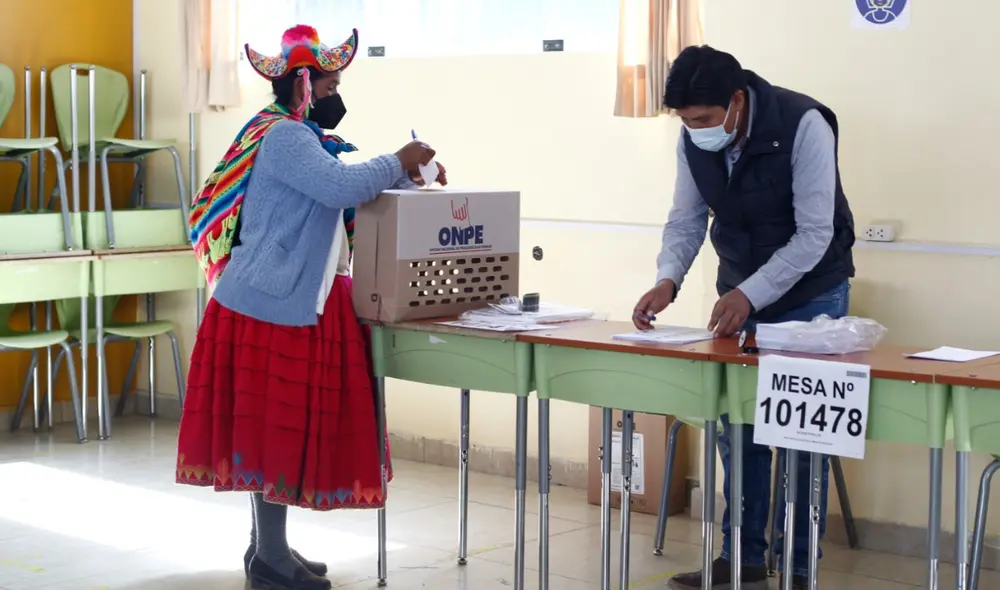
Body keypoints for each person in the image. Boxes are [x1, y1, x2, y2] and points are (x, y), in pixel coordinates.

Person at [176, 25, 446, 590]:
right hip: (266, 304)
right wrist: (401, 157)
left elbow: (347, 186)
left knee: (270, 435)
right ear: (305, 84)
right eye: (331, 84)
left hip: (275, 300)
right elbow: (339, 188)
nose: (336, 94)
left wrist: (409, 175)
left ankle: (266, 551)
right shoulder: (286, 138)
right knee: (271, 437)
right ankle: (270, 557)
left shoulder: (293, 134)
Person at [632, 46, 854, 590]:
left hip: (811, 297)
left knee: (804, 440)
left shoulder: (805, 124)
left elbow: (814, 233)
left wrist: (749, 295)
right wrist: (668, 279)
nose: (696, 130)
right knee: (740, 432)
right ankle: (741, 560)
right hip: (741, 296)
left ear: (736, 101)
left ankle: (800, 567)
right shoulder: (694, 138)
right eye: (686, 122)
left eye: (704, 120)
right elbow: (686, 219)